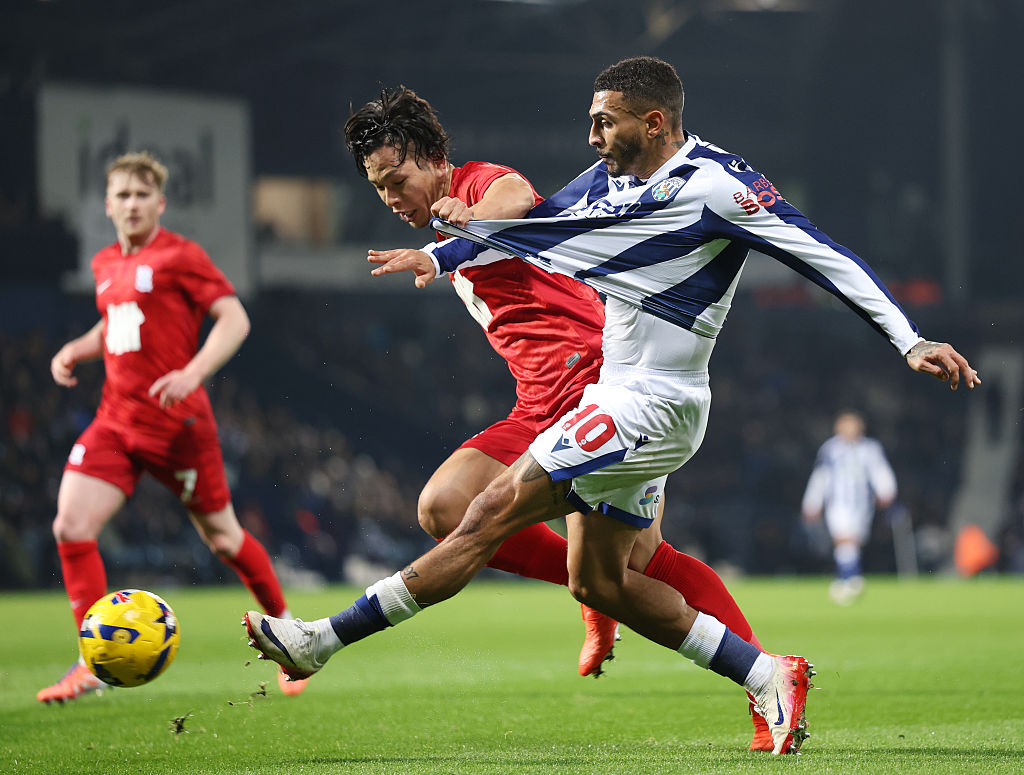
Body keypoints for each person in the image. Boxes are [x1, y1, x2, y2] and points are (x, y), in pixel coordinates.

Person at [246, 57, 980, 755]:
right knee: (601, 575)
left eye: (605, 122)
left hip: (643, 403)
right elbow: (547, 219)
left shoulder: (719, 185)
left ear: (655, 122)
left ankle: (321, 640)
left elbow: (815, 250)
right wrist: (442, 252)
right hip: (612, 395)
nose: (592, 136)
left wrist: (907, 337)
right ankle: (767, 676)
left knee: (478, 515)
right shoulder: (609, 180)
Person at [344, 85, 773, 747]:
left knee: (641, 561)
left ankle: (761, 678)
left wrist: (458, 230)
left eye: (396, 179)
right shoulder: (444, 217)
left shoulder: (481, 185)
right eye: (378, 188)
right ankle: (602, 597)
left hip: (594, 385)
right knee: (443, 507)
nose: (391, 197)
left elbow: (517, 203)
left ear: (433, 159)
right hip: (535, 401)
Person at [38, 152, 306, 703]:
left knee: (224, 539)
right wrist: (77, 349)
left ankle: (291, 638)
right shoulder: (105, 263)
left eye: (143, 195)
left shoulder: (180, 255)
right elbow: (117, 321)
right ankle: (92, 660)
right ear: (108, 204)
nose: (132, 204)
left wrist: (193, 372)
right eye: (123, 195)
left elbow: (235, 318)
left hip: (178, 427)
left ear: (159, 204)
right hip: (116, 421)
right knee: (70, 526)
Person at [802, 411, 897, 604]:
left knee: (852, 543)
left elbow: (880, 471)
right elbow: (820, 477)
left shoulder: (870, 449)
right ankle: (853, 579)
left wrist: (887, 491)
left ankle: (843, 579)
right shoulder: (830, 449)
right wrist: (812, 502)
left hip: (862, 505)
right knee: (844, 538)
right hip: (837, 503)